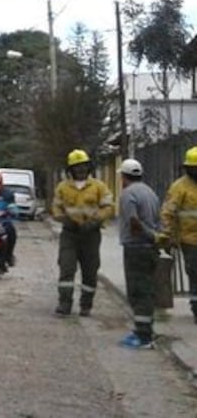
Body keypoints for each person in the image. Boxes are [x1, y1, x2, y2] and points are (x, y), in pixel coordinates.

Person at [50, 148, 114, 317]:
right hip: (69, 234)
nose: (81, 170)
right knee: (66, 267)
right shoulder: (63, 187)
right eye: (76, 167)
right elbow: (56, 208)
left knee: (90, 269)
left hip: (91, 235)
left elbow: (108, 206)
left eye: (83, 166)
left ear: (89, 167)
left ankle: (86, 305)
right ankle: (64, 303)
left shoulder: (99, 186)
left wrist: (95, 221)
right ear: (70, 169)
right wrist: (65, 219)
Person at [116, 158, 162, 349]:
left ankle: (143, 336)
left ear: (124, 177)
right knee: (148, 290)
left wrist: (148, 235)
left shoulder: (128, 194)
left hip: (136, 248)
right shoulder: (150, 192)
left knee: (138, 291)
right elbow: (157, 220)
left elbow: (133, 222)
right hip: (150, 249)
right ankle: (146, 329)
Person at [159, 146, 197, 325]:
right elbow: (168, 212)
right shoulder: (179, 187)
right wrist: (167, 235)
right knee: (195, 274)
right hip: (190, 239)